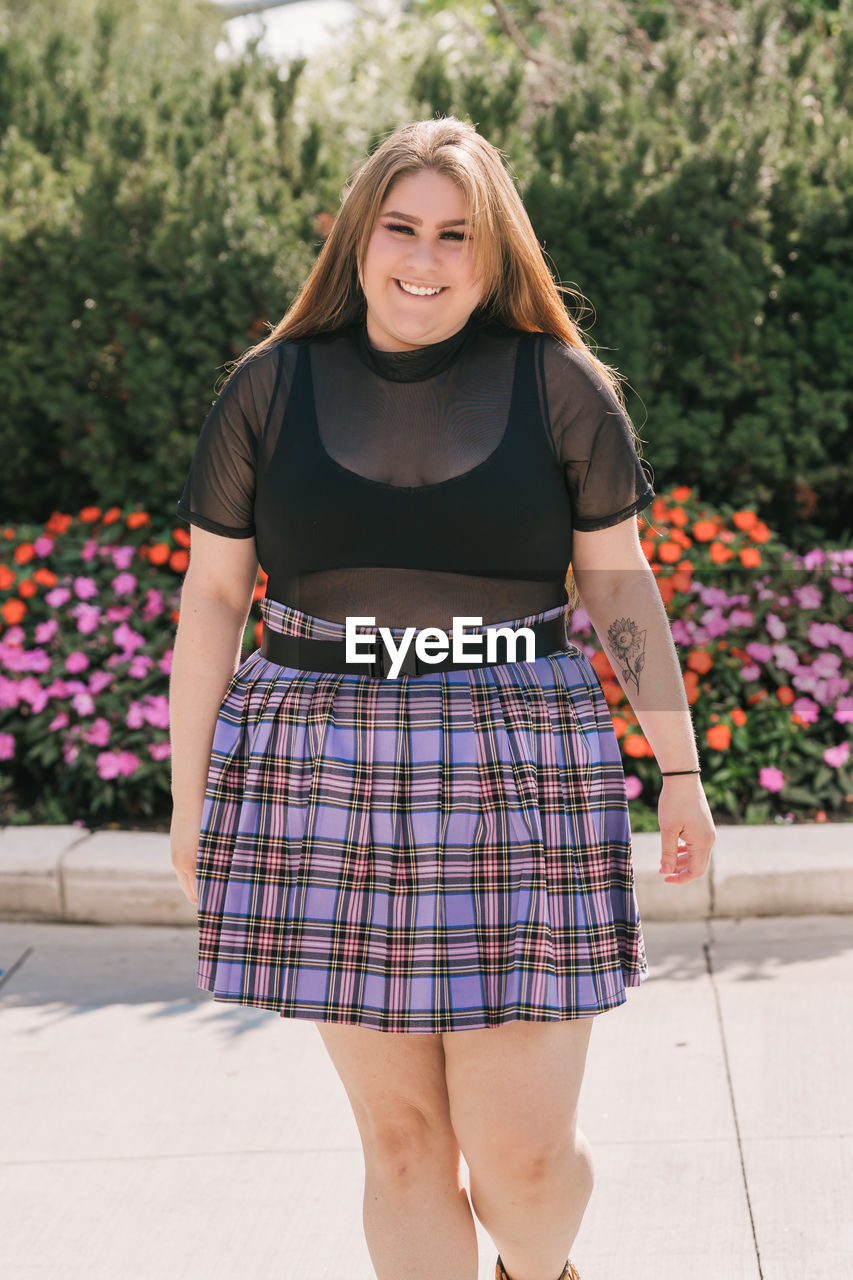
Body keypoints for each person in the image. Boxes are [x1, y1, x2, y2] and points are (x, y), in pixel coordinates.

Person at [169, 116, 715, 1280]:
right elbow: (215, 596)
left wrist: (681, 770)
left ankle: (542, 1271)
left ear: (493, 251)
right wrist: (189, 801)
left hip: (518, 758)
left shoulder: (561, 387)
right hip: (318, 763)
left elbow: (614, 580)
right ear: (359, 236)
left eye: (455, 234)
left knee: (518, 1160)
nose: (424, 257)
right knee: (403, 1141)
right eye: (401, 226)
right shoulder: (268, 389)